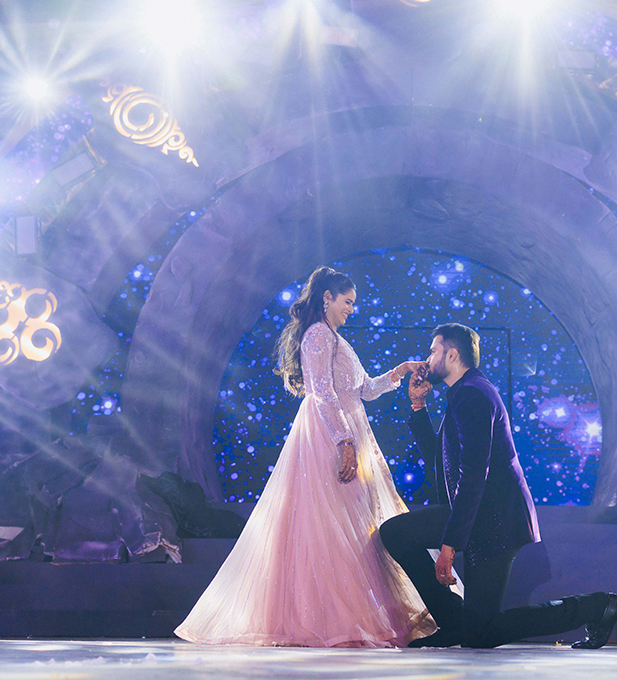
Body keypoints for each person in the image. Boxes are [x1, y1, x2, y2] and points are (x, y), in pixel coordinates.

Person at [174, 267, 434, 647]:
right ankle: (326, 620)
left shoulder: (334, 338)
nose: (351, 309)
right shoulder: (317, 335)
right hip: (328, 437)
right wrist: (344, 442)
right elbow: (322, 393)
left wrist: (400, 371)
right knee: (328, 526)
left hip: (345, 430)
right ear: (327, 297)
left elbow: (364, 389)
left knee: (349, 527)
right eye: (347, 302)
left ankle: (345, 616)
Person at [380, 323, 617, 649]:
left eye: (433, 351)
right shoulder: (464, 392)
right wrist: (418, 406)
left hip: (495, 522)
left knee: (480, 636)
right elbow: (437, 462)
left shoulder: (473, 395)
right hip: (475, 514)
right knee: (396, 533)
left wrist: (449, 545)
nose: (427, 359)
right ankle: (454, 623)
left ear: (452, 355)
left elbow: (473, 475)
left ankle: (596, 607)